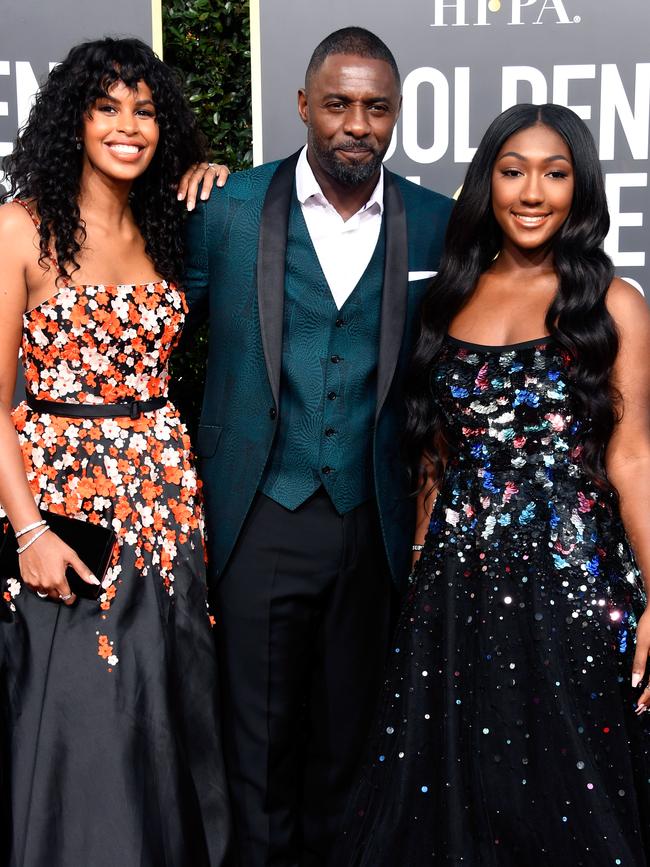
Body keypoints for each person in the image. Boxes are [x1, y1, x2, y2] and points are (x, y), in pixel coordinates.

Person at [336, 103, 650, 866]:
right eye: (513, 172)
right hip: (455, 593)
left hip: (574, 588)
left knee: (568, 799)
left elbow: (633, 457)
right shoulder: (448, 298)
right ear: (489, 184)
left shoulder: (613, 303)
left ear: (581, 188)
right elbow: (438, 456)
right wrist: (416, 563)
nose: (533, 192)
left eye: (554, 173)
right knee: (451, 796)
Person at [182, 25, 453, 867]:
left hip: (372, 518)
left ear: (397, 114)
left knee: (351, 745)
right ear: (303, 106)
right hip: (260, 508)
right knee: (256, 750)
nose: (356, 124)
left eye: (376, 107)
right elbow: (146, 312)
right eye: (337, 103)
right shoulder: (224, 208)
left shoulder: (438, 223)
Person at [0, 37, 231, 867]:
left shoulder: (171, 223)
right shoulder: (19, 226)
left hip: (166, 503)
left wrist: (215, 180)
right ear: (74, 120)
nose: (128, 126)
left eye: (145, 110)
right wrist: (29, 533)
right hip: (64, 501)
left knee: (159, 707)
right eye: (107, 107)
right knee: (77, 718)